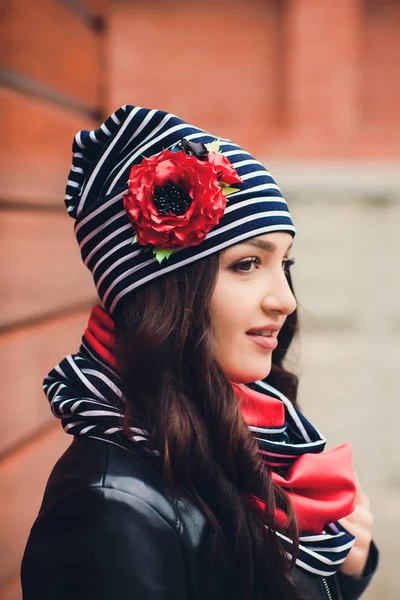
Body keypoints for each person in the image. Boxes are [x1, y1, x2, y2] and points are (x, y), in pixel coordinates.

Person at [21, 105, 378, 599]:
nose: (286, 300)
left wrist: (343, 572)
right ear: (164, 291)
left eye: (284, 264)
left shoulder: (237, 440)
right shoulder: (109, 509)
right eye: (248, 263)